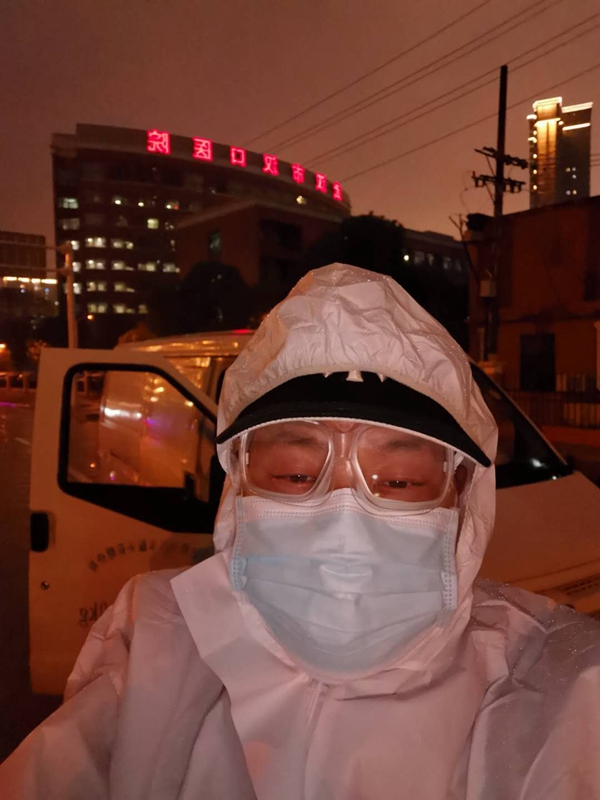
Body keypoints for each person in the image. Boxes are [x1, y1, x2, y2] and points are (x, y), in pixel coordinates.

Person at [2, 263, 600, 799]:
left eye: (398, 481)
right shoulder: (155, 642)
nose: (343, 516)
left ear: (462, 497)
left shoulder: (554, 687)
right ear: (238, 486)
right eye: (295, 474)